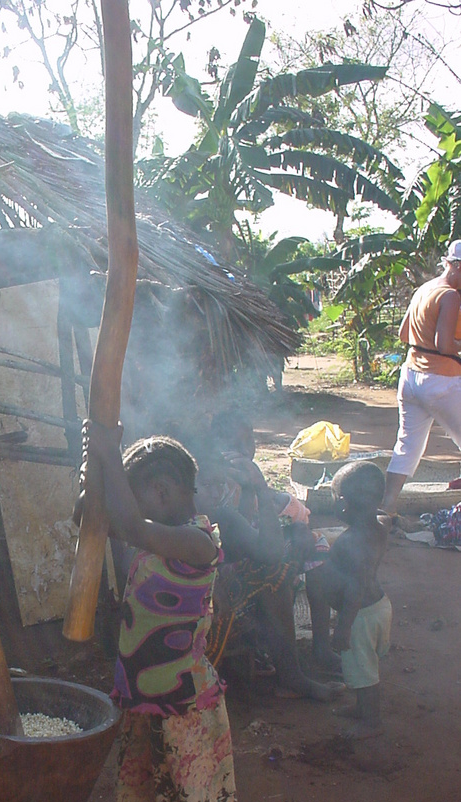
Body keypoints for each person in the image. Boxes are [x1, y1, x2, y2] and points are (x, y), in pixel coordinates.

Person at [85, 425, 245, 802]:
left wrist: (109, 454)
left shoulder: (196, 542)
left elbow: (128, 524)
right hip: (149, 700)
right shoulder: (157, 526)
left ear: (159, 492)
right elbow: (98, 515)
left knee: (202, 801)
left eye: (137, 496)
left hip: (186, 704)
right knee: (165, 795)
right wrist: (96, 464)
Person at [195, 450, 341, 701]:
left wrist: (258, 491)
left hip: (219, 598)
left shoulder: (223, 514)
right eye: (207, 485)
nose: (217, 492)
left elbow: (266, 549)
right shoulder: (180, 518)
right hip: (194, 604)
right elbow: (268, 555)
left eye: (220, 484)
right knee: (272, 573)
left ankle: (299, 662)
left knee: (281, 563)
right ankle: (290, 672)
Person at [306, 462, 392, 735]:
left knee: (364, 673)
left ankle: (370, 722)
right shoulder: (378, 528)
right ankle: (361, 709)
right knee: (366, 664)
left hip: (360, 616)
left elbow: (355, 587)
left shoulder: (348, 542)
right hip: (379, 607)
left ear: (343, 505)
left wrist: (343, 626)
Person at [382, 239, 461, 515]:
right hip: (440, 380)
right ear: (456, 266)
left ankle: (386, 507)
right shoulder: (451, 295)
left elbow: (404, 334)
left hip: (411, 376)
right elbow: (444, 345)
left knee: (406, 446)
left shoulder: (425, 288)